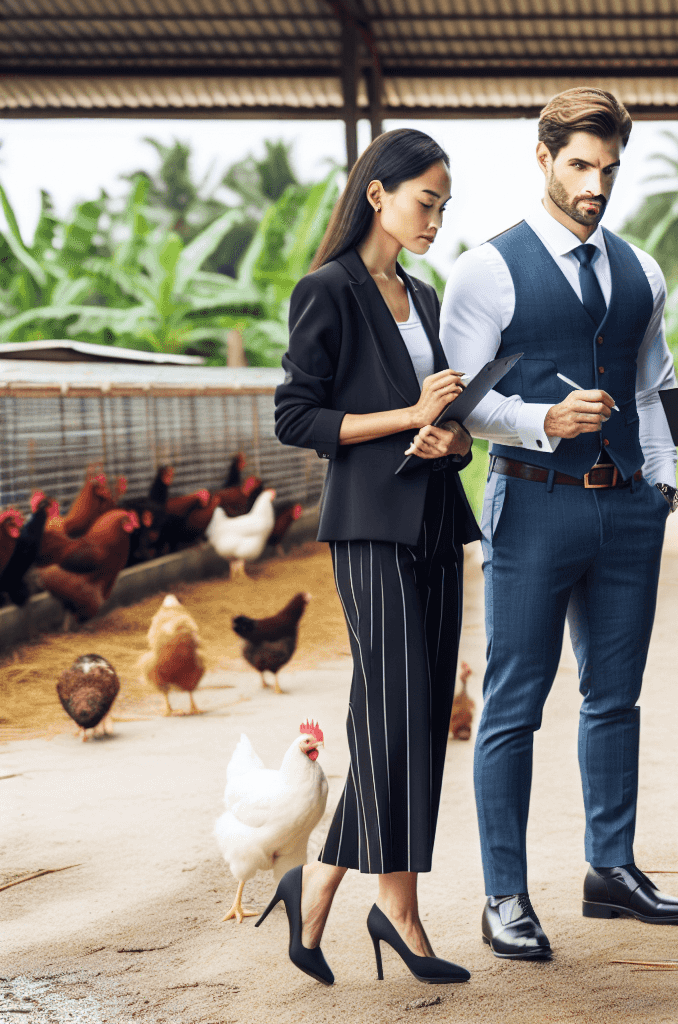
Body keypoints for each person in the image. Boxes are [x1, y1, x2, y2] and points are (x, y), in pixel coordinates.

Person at [439, 87, 678, 961]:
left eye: (609, 169)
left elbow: (650, 390)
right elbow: (466, 404)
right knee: (514, 704)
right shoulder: (486, 270)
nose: (596, 185)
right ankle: (503, 894)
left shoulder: (643, 270)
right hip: (532, 502)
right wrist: (539, 422)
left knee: (615, 698)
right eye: (581, 166)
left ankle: (610, 869)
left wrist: (661, 487)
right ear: (544, 159)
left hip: (627, 507)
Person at [271, 127, 481, 985]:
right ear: (378, 194)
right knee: (388, 718)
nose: (435, 218)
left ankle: (382, 901)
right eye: (425, 201)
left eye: (443, 205)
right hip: (367, 528)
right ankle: (337, 891)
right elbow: (296, 419)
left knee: (423, 721)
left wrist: (451, 437)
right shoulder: (328, 291)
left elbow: (446, 424)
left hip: (435, 520)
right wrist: (406, 419)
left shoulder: (423, 298)